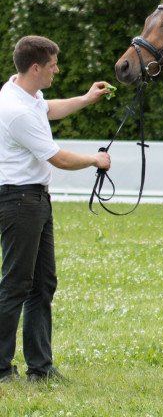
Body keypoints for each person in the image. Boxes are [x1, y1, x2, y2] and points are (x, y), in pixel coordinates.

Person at [0, 35, 112, 383]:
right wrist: (96, 159)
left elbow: (49, 109)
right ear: (36, 67)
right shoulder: (16, 112)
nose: (57, 70)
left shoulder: (21, 90)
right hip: (19, 201)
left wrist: (87, 98)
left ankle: (40, 368)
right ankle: (2, 369)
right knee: (16, 285)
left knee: (42, 283)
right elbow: (58, 158)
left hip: (34, 199)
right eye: (52, 65)